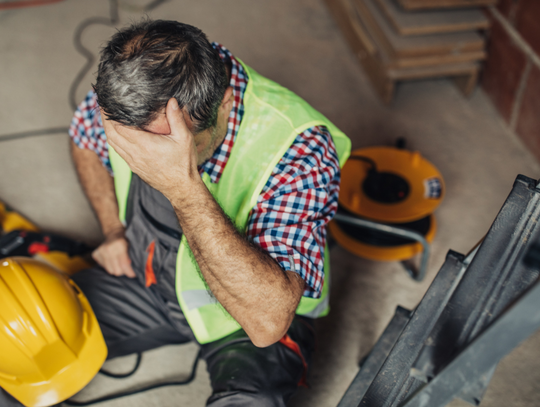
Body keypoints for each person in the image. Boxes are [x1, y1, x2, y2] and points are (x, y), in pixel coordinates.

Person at [68, 19, 350, 406]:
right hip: (144, 275)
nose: (146, 160)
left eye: (170, 149)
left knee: (253, 400)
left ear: (225, 104)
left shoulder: (299, 149)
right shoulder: (132, 96)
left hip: (241, 319)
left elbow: (267, 323)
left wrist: (183, 188)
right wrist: (113, 230)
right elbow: (83, 136)